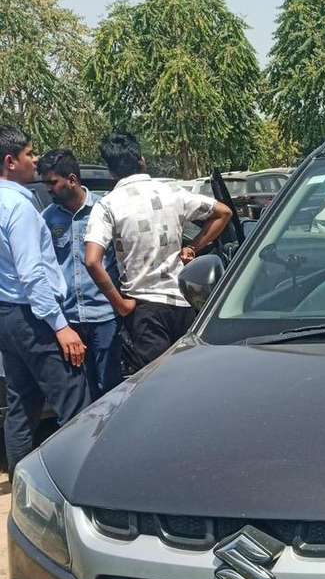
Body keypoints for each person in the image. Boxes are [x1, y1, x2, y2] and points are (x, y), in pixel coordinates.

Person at [85, 132, 231, 368]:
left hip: (144, 310)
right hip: (184, 302)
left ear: (111, 171)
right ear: (141, 160)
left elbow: (92, 261)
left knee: (157, 382)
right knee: (190, 375)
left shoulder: (107, 205)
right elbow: (223, 212)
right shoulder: (172, 192)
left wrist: (120, 305)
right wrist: (193, 247)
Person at [0, 126, 89, 476]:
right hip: (33, 316)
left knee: (22, 403)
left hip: (7, 315)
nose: (35, 161)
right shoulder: (18, 208)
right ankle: (80, 483)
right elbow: (32, 273)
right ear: (10, 161)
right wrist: (60, 325)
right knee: (75, 399)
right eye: (29, 154)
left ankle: (23, 483)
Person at [39, 149, 122, 399]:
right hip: (70, 321)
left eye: (53, 182)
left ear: (72, 180)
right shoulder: (47, 219)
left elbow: (121, 258)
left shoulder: (103, 211)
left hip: (104, 316)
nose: (49, 189)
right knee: (80, 394)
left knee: (110, 389)